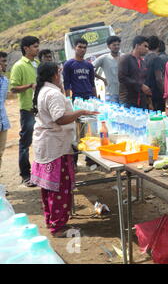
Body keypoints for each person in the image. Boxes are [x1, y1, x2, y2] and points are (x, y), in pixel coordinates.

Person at [30, 62, 97, 237]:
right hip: (55, 146)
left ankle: (51, 219)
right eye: (59, 73)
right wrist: (80, 112)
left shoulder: (41, 90)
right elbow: (59, 118)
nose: (61, 77)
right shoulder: (52, 93)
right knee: (59, 188)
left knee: (49, 187)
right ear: (54, 75)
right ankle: (57, 227)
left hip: (46, 144)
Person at [10, 36, 40, 187]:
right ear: (26, 48)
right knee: (25, 143)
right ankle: (26, 175)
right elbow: (13, 88)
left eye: (37, 46)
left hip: (41, 109)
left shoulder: (38, 63)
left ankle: (40, 172)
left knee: (41, 141)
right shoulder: (19, 66)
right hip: (28, 109)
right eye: (35, 46)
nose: (37, 48)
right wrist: (29, 86)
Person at [118, 36, 151, 109]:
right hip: (127, 101)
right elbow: (122, 78)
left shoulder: (143, 62)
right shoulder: (126, 58)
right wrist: (141, 86)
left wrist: (149, 100)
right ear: (137, 45)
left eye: (148, 47)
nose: (147, 49)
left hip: (141, 101)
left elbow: (144, 80)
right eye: (145, 46)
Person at [93, 36, 121, 103]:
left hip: (124, 93)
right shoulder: (104, 58)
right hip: (111, 93)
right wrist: (103, 79)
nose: (116, 46)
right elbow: (90, 69)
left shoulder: (124, 57)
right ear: (108, 46)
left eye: (118, 45)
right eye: (114, 45)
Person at [144, 36, 165, 111]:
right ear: (158, 46)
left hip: (147, 95)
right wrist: (164, 93)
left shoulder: (144, 58)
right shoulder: (156, 59)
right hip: (156, 95)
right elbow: (159, 79)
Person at [0, 52, 10, 195]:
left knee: (0, 154)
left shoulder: (5, 81)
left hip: (3, 122)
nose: (5, 64)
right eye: (2, 61)